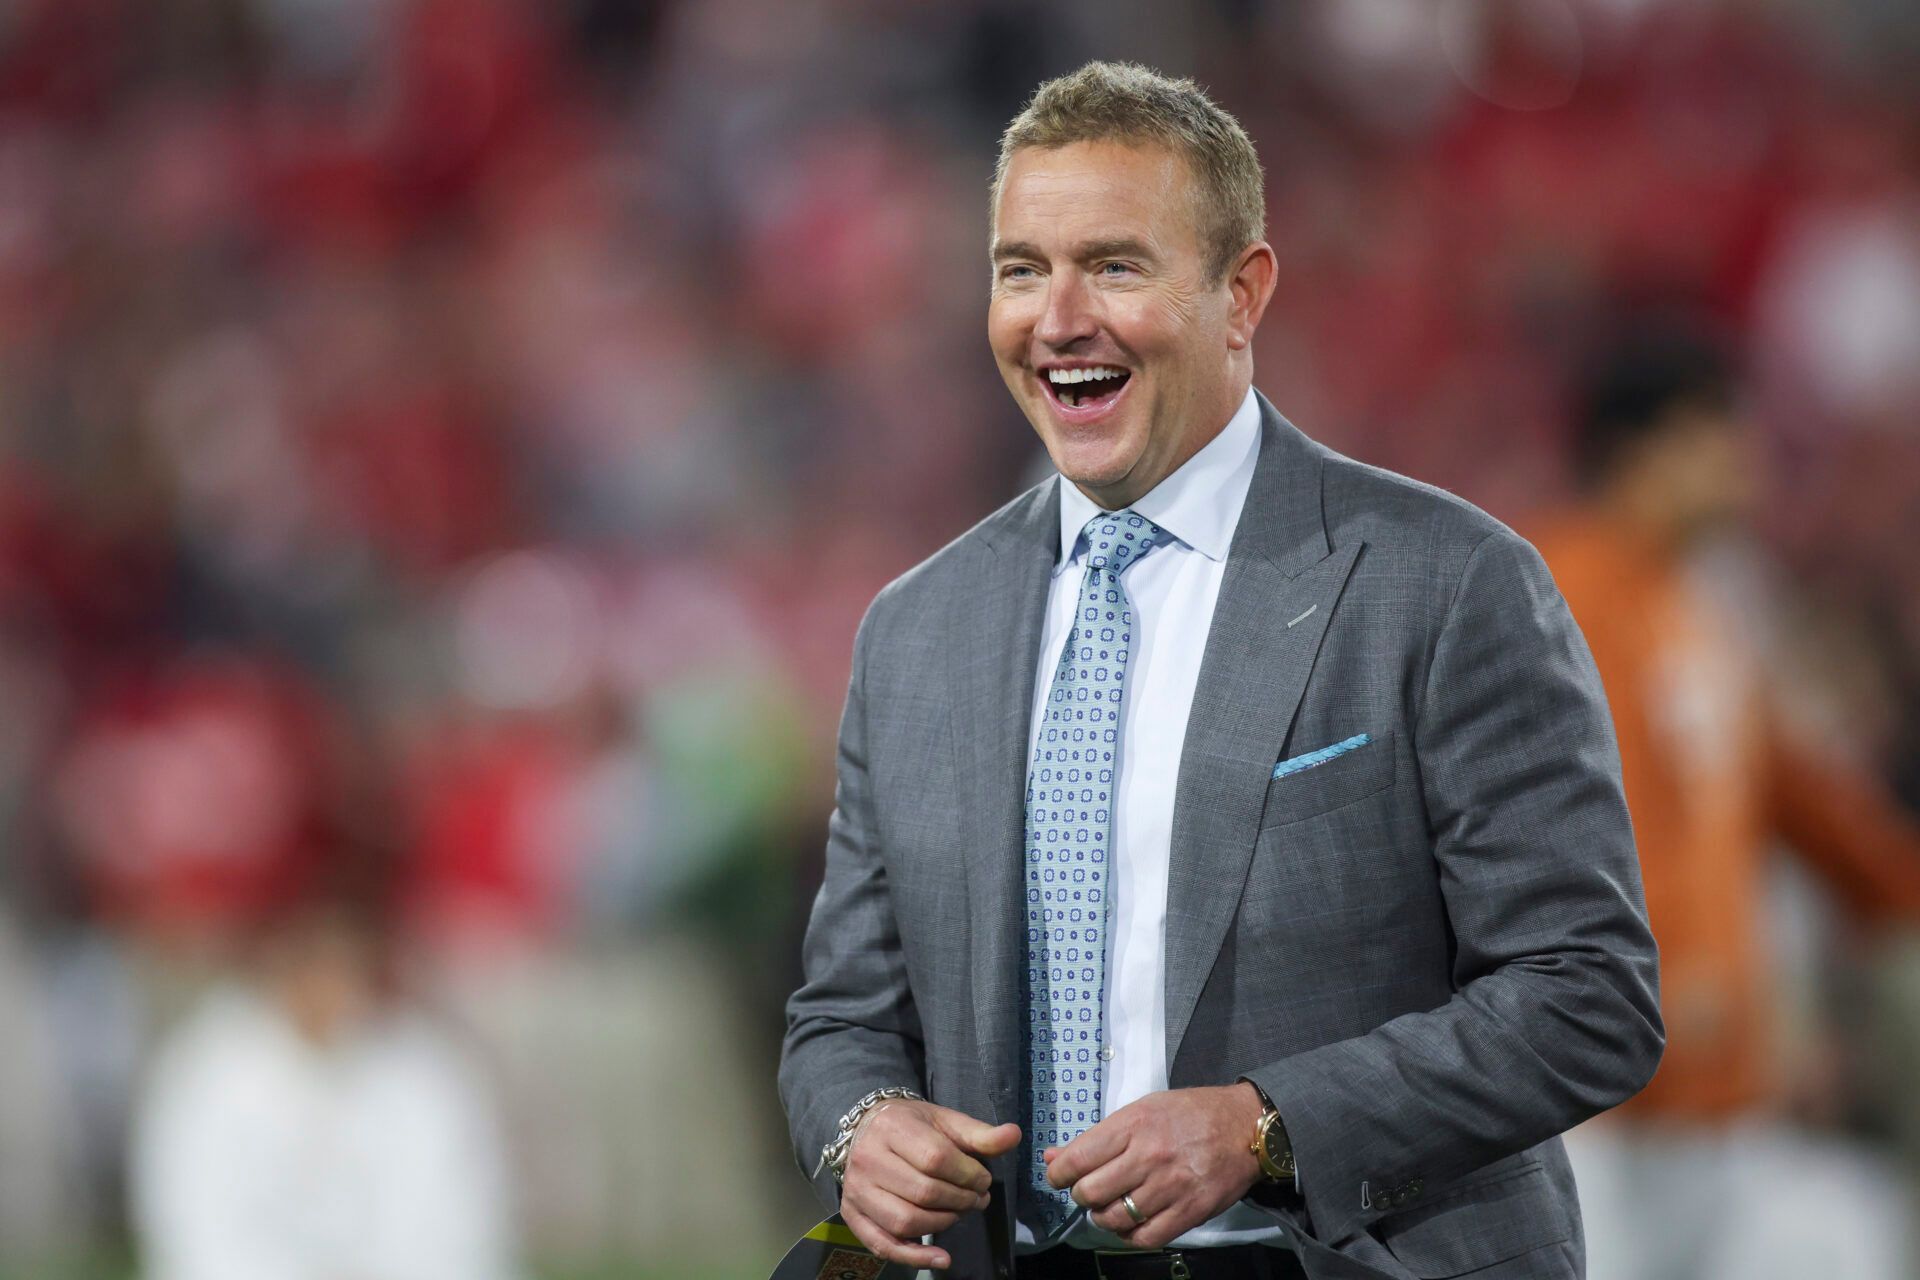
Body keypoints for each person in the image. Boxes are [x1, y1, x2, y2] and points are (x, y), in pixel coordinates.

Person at [779, 62, 1663, 1280]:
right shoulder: (917, 628)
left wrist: (1267, 1126)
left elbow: (1588, 994)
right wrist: (864, 1126)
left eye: (1116, 264)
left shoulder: (1445, 581)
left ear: (1241, 295)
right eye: (1021, 268)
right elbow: (843, 1016)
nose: (1057, 317)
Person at [1531, 323, 1920, 1280]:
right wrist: (1660, 963)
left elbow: (1799, 798)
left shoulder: (1698, 609)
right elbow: (1583, 814)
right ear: (1648, 448)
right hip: (1592, 1109)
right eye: (1723, 432)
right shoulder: (1556, 591)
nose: (1747, 460)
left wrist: (1900, 886)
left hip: (1710, 1097)